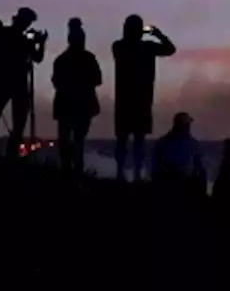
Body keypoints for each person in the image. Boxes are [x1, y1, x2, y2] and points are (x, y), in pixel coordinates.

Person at [112, 14, 176, 181]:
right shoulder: (147, 47)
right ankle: (137, 174)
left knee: (122, 140)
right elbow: (170, 49)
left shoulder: (119, 46)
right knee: (138, 140)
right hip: (142, 99)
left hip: (124, 100)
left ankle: (120, 172)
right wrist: (157, 34)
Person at [0, 7, 45, 152]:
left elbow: (37, 58)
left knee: (5, 117)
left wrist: (38, 43)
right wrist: (39, 43)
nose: (28, 25)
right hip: (8, 82)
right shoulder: (10, 35)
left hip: (8, 82)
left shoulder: (7, 34)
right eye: (27, 21)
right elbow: (37, 58)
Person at [51, 18, 102, 175]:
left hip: (69, 104)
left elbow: (56, 81)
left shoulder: (62, 59)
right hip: (81, 104)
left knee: (67, 139)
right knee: (77, 139)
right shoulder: (88, 58)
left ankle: (68, 168)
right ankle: (74, 169)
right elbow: (97, 80)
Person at [151, 111, 206, 193]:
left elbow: (199, 166)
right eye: (187, 125)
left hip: (178, 182)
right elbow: (156, 165)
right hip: (172, 182)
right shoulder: (163, 143)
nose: (188, 127)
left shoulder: (161, 142)